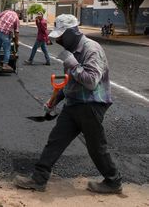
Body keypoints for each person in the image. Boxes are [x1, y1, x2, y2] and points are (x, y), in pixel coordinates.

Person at [14, 14, 122, 194]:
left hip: (91, 105)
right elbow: (70, 83)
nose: (59, 41)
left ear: (72, 32)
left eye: (62, 36)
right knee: (55, 141)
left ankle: (113, 181)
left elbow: (91, 81)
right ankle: (39, 179)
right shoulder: (72, 51)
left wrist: (73, 65)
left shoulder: (91, 49)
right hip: (74, 103)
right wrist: (53, 102)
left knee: (96, 147)